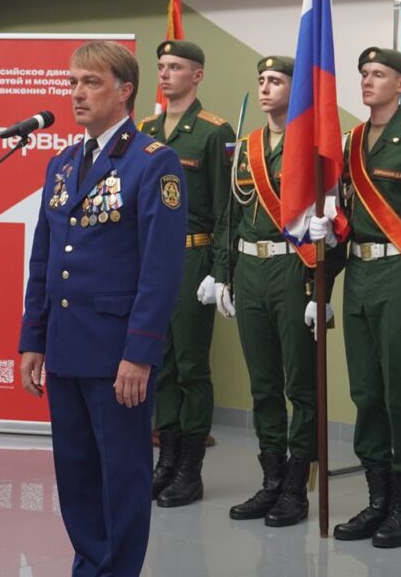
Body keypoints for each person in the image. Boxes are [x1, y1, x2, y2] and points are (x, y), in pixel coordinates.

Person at [17, 40, 187, 576]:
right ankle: (89, 566)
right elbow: (44, 258)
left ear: (125, 90)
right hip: (66, 346)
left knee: (121, 477)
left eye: (91, 82)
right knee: (76, 475)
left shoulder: (152, 163)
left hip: (117, 353)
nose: (77, 93)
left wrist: (140, 353)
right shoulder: (62, 164)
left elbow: (160, 271)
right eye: (72, 82)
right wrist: (33, 337)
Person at [310, 47, 401, 548]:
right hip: (359, 276)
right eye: (364, 74)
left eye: (379, 74)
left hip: (399, 275)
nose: (368, 81)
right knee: (365, 393)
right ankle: (377, 499)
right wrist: (324, 268)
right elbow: (346, 217)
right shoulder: (349, 142)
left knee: (397, 394)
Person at [214, 55, 344, 528]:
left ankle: (296, 486)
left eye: (276, 80)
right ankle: (270, 480)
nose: (266, 87)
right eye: (262, 80)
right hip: (249, 269)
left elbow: (332, 226)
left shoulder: (311, 148)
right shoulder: (245, 147)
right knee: (263, 384)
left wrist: (320, 291)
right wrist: (223, 274)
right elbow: (230, 216)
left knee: (300, 386)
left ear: (297, 88)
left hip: (292, 271)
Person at [138, 39, 235, 507]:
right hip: (152, 259)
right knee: (160, 364)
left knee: (192, 366)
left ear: (197, 75)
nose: (165, 73)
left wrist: (219, 271)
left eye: (175, 66)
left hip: (194, 258)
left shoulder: (214, 132)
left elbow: (225, 209)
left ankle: (190, 471)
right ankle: (167, 461)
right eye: (161, 66)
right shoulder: (145, 129)